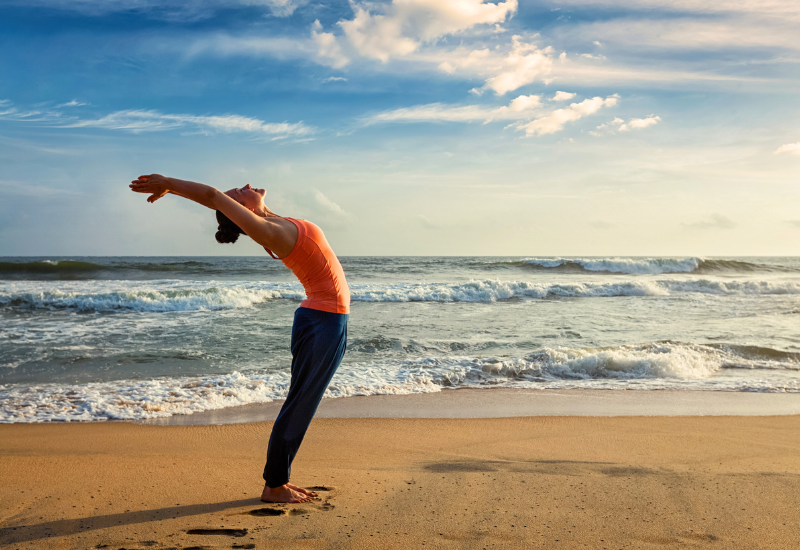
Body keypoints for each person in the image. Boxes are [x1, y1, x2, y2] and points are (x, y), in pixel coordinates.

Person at [129, 174, 350, 504]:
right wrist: (168, 184)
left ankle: (277, 480)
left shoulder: (273, 222)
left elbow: (222, 201)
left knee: (302, 401)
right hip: (323, 321)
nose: (245, 185)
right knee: (301, 403)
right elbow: (213, 196)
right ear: (240, 208)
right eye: (237, 192)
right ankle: (275, 485)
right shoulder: (271, 232)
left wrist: (245, 204)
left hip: (326, 319)